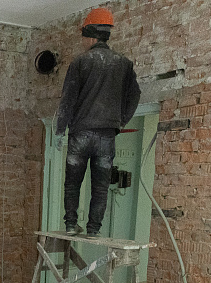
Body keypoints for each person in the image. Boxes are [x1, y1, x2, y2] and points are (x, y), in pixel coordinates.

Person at [55, 7, 141, 239]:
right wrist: (120, 122)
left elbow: (68, 99)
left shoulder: (80, 62)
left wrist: (60, 130)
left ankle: (71, 225)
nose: (83, 42)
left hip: (80, 135)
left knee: (73, 184)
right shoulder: (124, 64)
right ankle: (93, 229)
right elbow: (134, 96)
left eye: (83, 37)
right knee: (100, 186)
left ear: (91, 37)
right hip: (106, 136)